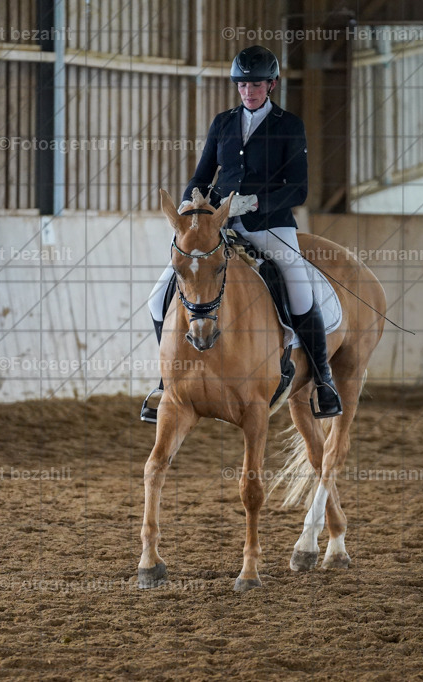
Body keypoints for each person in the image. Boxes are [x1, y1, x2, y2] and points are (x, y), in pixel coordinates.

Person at [141, 45, 341, 422]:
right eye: (243, 84)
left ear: (272, 85)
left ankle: (324, 381)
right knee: (157, 298)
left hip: (271, 226)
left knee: (298, 290)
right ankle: (166, 382)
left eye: (257, 84)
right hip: (218, 227)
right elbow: (202, 176)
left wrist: (255, 204)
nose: (249, 91)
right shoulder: (223, 123)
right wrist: (190, 206)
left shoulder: (289, 125)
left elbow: (298, 189)